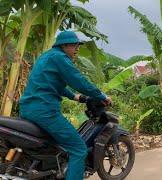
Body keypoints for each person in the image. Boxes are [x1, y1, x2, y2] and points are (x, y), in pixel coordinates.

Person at [19, 31, 111, 180]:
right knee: (79, 149)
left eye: (78, 45)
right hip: (45, 111)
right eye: (74, 45)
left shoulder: (47, 57)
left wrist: (76, 97)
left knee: (52, 146)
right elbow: (78, 81)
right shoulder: (60, 58)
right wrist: (101, 96)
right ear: (65, 45)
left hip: (28, 109)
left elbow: (53, 84)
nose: (77, 48)